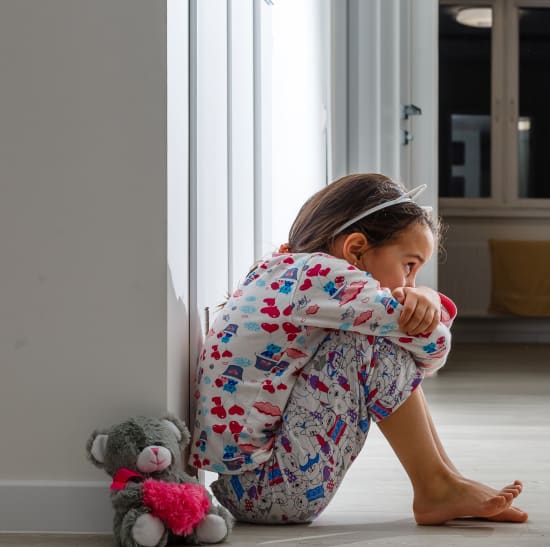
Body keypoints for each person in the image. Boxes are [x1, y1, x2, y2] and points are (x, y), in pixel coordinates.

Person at [190, 173, 527, 525]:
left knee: (376, 337)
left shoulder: (286, 270)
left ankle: (445, 479)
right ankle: (437, 485)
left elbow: (414, 366)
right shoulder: (321, 275)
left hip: (251, 485)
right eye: (409, 266)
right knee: (369, 341)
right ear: (356, 251)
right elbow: (433, 347)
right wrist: (429, 304)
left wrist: (421, 300)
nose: (411, 284)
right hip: (271, 490)